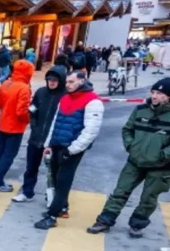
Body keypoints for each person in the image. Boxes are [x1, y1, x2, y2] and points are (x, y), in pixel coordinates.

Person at [87, 78, 170, 238]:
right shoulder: (140, 110)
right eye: (153, 92)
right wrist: (131, 147)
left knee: (149, 198)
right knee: (120, 191)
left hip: (160, 167)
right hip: (135, 162)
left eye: (160, 93)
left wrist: (162, 156)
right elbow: (127, 130)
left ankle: (137, 224)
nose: (154, 96)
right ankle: (105, 220)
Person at [35, 71, 103, 230]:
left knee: (63, 181)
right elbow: (55, 122)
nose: (67, 85)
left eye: (71, 82)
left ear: (81, 81)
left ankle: (52, 215)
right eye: (67, 82)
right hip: (58, 144)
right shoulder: (65, 98)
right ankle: (62, 207)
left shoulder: (93, 102)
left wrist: (72, 150)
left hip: (71, 149)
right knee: (57, 179)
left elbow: (90, 131)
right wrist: (48, 144)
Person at [13, 65, 66, 203]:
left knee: (54, 171)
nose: (52, 82)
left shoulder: (65, 96)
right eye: (49, 79)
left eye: (55, 80)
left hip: (54, 141)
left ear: (61, 80)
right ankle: (27, 192)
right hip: (36, 138)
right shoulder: (41, 92)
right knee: (31, 168)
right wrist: (34, 126)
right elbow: (32, 110)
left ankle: (52, 197)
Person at [0, 59, 34, 192]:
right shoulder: (24, 88)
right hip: (15, 127)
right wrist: (28, 119)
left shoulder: (6, 83)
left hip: (3, 123)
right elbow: (21, 111)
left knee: (0, 152)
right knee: (8, 155)